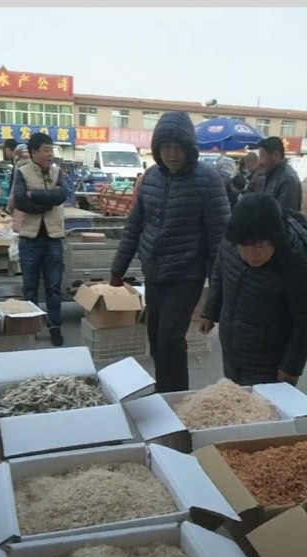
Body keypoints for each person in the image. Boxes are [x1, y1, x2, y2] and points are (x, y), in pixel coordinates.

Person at [109, 111, 230, 393]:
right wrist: (118, 268)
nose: (172, 154)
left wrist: (214, 302)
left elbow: (219, 243)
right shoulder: (151, 177)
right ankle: (165, 390)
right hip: (154, 273)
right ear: (157, 149)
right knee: (155, 337)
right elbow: (135, 224)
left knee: (170, 339)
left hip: (186, 275)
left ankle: (175, 398)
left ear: (189, 148)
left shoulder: (208, 181)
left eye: (177, 147)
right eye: (165, 147)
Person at [200, 193, 307, 387]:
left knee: (264, 409)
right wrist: (210, 311)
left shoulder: (297, 261)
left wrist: (291, 368)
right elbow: (220, 272)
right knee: (236, 396)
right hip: (233, 340)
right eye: (244, 247)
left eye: (260, 246)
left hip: (270, 354)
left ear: (275, 238)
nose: (251, 255)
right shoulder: (234, 236)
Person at [13, 132, 69, 347]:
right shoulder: (22, 172)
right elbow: (19, 201)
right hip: (30, 239)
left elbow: (62, 195)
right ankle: (31, 326)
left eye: (51, 149)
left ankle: (54, 326)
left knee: (54, 287)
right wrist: (46, 203)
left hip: (53, 238)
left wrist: (34, 195)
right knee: (30, 287)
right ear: (34, 152)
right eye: (45, 150)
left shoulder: (57, 172)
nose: (49, 154)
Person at [259, 137, 302, 211]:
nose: (260, 162)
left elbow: (286, 216)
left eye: (263, 156)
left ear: (276, 155)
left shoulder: (288, 179)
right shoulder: (271, 174)